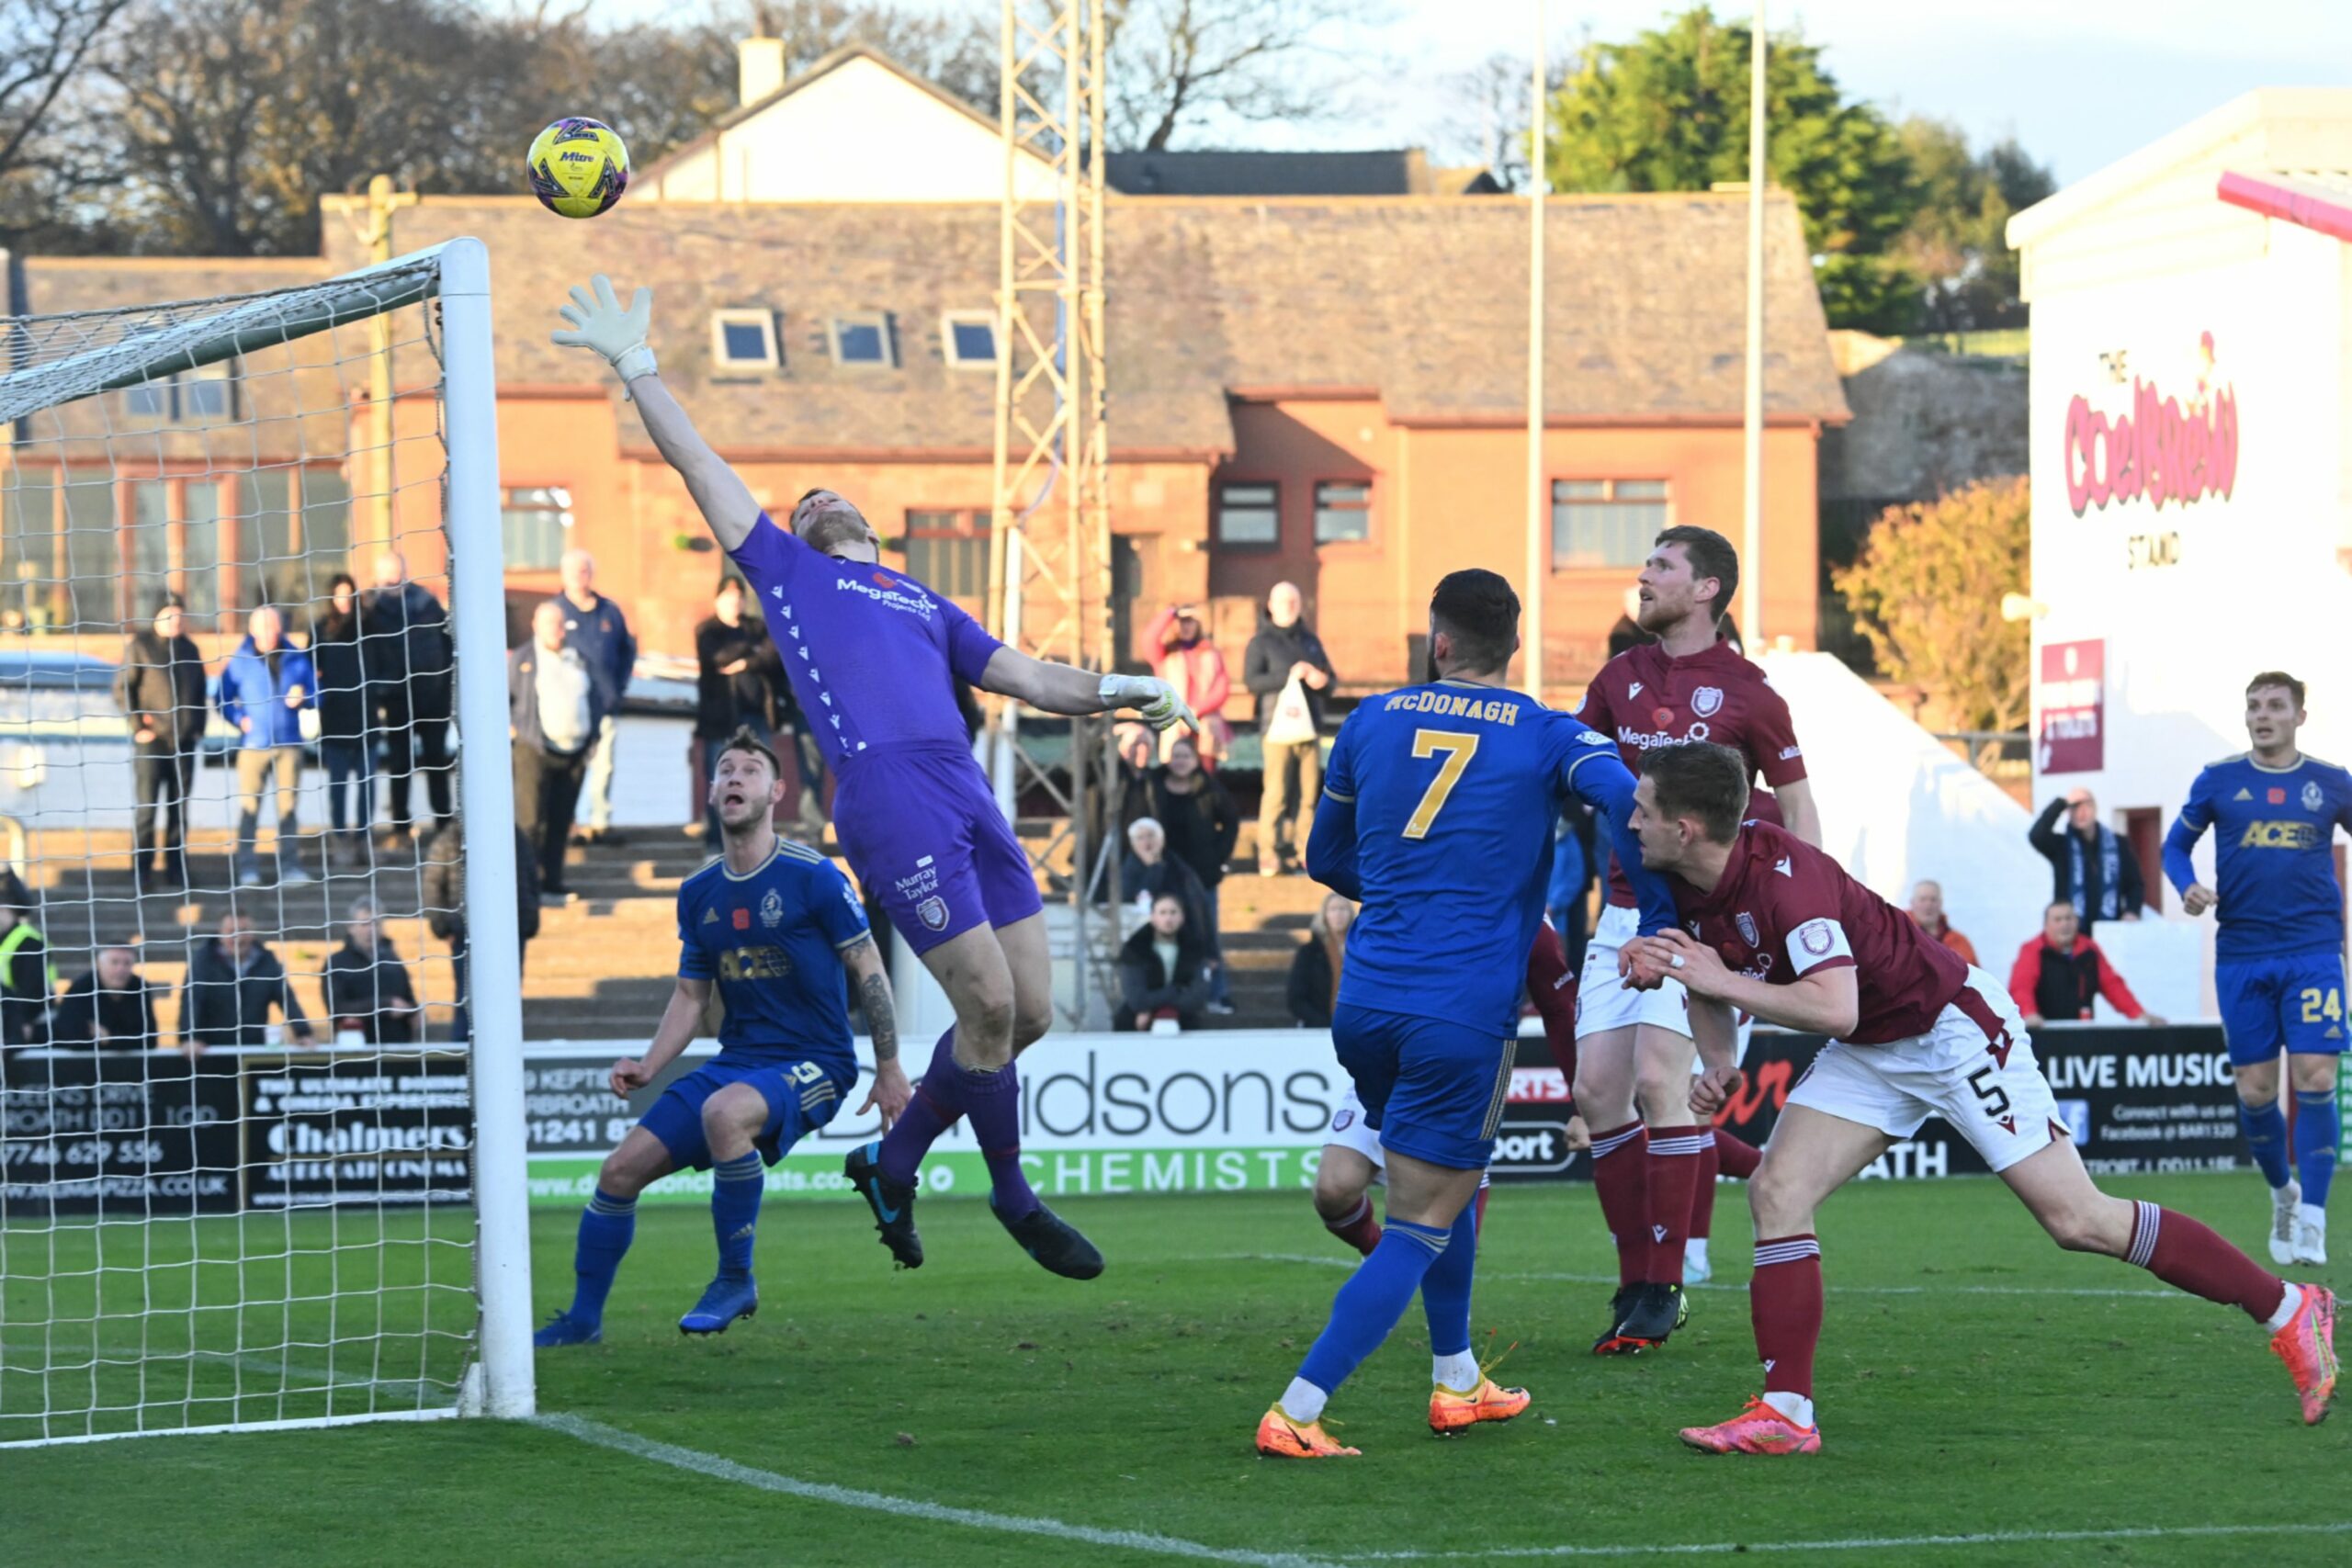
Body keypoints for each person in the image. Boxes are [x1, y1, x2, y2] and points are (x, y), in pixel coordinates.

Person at [550, 271, 1193, 1281]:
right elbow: (699, 464)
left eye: (828, 494)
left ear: (872, 528)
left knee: (1027, 1013)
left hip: (964, 788)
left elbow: (1025, 674)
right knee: (982, 1006)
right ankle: (1010, 1196)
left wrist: (1122, 687)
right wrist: (638, 369)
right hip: (888, 793)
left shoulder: (923, 598)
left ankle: (892, 1161)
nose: (819, 495)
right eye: (806, 499)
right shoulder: (792, 573)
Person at [1616, 740, 2337, 1454]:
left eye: (1643, 811)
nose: (1630, 822)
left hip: (1950, 1028)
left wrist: (1715, 982)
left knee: (2078, 1219)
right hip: (1874, 1047)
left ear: (1688, 827)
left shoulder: (1783, 879)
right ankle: (1787, 1413)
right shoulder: (1677, 876)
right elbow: (1710, 970)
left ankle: (2289, 1306)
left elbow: (1827, 1005)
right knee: (1776, 1191)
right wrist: (1718, 1061)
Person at [1252, 567, 1673, 1460]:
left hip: (1364, 1001)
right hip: (1458, 1013)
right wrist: (1663, 919)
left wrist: (1415, 887)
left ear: (1437, 641)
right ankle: (1297, 1408)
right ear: (1511, 647)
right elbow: (1632, 802)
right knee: (1423, 1217)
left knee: (1432, 1192)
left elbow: (1325, 854)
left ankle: (1457, 1380)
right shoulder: (1546, 732)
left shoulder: (1368, 721)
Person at [534, 728, 912, 1345]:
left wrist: (890, 1066)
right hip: (738, 1060)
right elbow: (691, 995)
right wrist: (651, 1063)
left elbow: (868, 966)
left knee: (724, 1112)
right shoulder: (699, 891)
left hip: (816, 1062)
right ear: (711, 793)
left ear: (777, 791)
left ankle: (736, 1276)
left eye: (750, 770)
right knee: (618, 1171)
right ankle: (582, 1320)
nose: (735, 777)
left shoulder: (814, 876)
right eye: (725, 769)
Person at [1569, 525, 1820, 1354]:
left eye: (1661, 566)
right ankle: (1636, 1275)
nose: (1642, 576)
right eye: (1645, 562)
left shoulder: (1750, 690)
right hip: (1623, 911)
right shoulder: (1617, 679)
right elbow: (1575, 776)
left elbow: (1796, 801)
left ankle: (1667, 1284)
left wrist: (1806, 901)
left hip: (1708, 919)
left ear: (1707, 588)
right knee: (1596, 1093)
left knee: (1656, 1079)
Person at [2165, 671, 2352, 1269]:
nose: (2262, 714)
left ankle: (2316, 1219)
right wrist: (2187, 885)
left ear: (2300, 715)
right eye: (2254, 705)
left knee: (2317, 1076)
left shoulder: (2331, 782)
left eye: (2275, 705)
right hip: (2243, 955)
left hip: (2314, 951)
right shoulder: (2220, 781)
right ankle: (2284, 1194)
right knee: (2256, 1089)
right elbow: (2173, 846)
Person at [1310, 921, 1578, 1258]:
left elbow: (1559, 1007)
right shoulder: (1408, 887)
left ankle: (1427, 1293)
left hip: (1458, 1069)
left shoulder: (1524, 910)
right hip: (1387, 1059)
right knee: (1334, 1190)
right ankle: (1386, 1265)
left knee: (1442, 1224)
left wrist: (1581, 1106)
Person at [509, 600, 605, 907]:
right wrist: (513, 729)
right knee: (530, 820)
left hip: (574, 752)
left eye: (561, 623)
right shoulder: (523, 658)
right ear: (536, 625)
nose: (556, 629)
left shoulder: (577, 658)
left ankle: (552, 881)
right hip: (534, 748)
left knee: (561, 821)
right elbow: (505, 698)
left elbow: (596, 696)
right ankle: (526, 885)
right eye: (550, 623)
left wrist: (593, 736)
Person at [215, 605, 314, 888]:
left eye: (274, 627)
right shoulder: (240, 660)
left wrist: (305, 696)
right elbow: (221, 697)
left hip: (290, 744)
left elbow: (318, 694)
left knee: (288, 809)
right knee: (249, 808)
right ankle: (248, 870)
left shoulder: (296, 656)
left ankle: (290, 868)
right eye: (264, 627)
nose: (270, 633)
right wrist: (239, 718)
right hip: (253, 746)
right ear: (252, 630)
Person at [362, 550, 454, 852]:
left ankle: (445, 825)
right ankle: (400, 827)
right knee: (400, 764)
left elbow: (446, 642)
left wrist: (444, 684)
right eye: (387, 574)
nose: (393, 580)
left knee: (437, 762)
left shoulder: (426, 604)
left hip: (433, 696)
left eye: (397, 572)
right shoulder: (371, 610)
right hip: (397, 698)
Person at [114, 592, 207, 890]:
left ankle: (176, 868)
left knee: (178, 810)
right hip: (152, 742)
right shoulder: (140, 646)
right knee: (146, 809)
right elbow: (122, 688)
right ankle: (141, 869)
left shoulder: (190, 649)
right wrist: (138, 723)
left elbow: (200, 692)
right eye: (169, 615)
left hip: (184, 742)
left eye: (180, 615)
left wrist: (197, 728)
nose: (175, 621)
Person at [1243, 581, 1336, 877]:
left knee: (1309, 795)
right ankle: (1269, 852)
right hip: (1276, 729)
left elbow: (1330, 682)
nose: (1290, 607)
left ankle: (1305, 851)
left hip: (1309, 729)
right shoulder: (1261, 642)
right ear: (1271, 606)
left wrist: (1320, 680)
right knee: (1277, 793)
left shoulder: (1311, 641)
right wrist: (1289, 674)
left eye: (1294, 601)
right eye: (1284, 601)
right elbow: (1252, 683)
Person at [422, 818, 541, 1045]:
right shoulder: (451, 837)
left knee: (507, 998)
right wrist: (443, 926)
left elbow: (530, 879)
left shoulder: (515, 835)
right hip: (465, 932)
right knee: (468, 997)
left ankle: (504, 1048)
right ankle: (462, 1055)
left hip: (512, 930)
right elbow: (433, 884)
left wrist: (528, 921)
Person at [551, 549, 637, 846]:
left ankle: (599, 822)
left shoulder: (610, 611)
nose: (579, 575)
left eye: (584, 570)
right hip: (568, 709)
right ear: (563, 575)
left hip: (606, 703)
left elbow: (628, 649)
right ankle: (570, 822)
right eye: (573, 570)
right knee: (571, 766)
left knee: (604, 765)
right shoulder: (555, 610)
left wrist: (618, 687)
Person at [1149, 735, 1240, 1013]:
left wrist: (1219, 859)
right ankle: (1165, 993)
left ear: (1195, 759)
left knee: (1207, 932)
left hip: (1201, 874)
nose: (1180, 762)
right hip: (1163, 871)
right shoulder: (1153, 784)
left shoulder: (1209, 788)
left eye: (1185, 756)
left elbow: (1231, 823)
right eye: (1175, 756)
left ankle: (1217, 992)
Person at [694, 575, 783, 848]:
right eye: (729, 596)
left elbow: (774, 654)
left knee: (761, 778)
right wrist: (750, 649)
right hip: (720, 719)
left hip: (756, 716)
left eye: (740, 596)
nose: (736, 602)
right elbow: (717, 656)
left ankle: (760, 839)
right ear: (717, 600)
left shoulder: (757, 626)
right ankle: (716, 842)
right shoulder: (707, 630)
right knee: (720, 778)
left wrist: (745, 663)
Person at [2008, 900, 2163, 1030]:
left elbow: (2112, 985)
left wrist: (2139, 1014)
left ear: (2076, 921)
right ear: (2046, 924)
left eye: (2069, 918)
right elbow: (2021, 987)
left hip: (2081, 1034)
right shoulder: (2033, 950)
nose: (2064, 924)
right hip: (2045, 1033)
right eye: (2058, 919)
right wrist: (2029, 1014)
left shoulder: (2089, 950)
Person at [310, 573, 375, 870]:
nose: (344, 601)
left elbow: (385, 664)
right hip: (335, 718)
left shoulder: (370, 627)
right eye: (339, 595)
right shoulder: (321, 630)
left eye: (349, 595)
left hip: (367, 717)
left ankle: (364, 839)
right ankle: (340, 840)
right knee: (338, 785)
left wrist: (378, 690)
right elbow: (309, 669)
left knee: (367, 784)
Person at [180, 915, 313, 1055]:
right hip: (212, 1051)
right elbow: (192, 1000)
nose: (238, 938)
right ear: (220, 933)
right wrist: (190, 1037)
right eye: (231, 931)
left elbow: (286, 998)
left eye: (243, 931)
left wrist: (303, 1032)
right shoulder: (203, 962)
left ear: (252, 933)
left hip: (254, 1051)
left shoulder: (267, 961)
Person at [2030, 786, 2144, 931]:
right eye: (2075, 808)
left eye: (2086, 806)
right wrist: (2061, 803)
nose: (2081, 813)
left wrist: (2132, 911)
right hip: (2072, 933)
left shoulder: (2118, 844)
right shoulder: (2061, 846)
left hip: (2109, 930)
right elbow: (2036, 836)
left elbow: (2135, 884)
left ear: (2095, 809)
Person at [324, 898, 423, 1045]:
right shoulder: (336, 963)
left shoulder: (393, 960)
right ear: (351, 927)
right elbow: (337, 1008)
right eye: (364, 924)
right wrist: (384, 1005)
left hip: (397, 1046)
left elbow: (408, 998)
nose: (371, 929)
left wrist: (414, 1011)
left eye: (376, 924)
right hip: (356, 1049)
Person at [1146, 603, 1232, 767]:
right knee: (1175, 764)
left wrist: (1197, 710)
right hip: (1176, 721)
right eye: (1181, 621)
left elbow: (1221, 689)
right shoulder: (1165, 655)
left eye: (1190, 621)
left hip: (1205, 723)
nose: (1185, 626)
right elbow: (1149, 638)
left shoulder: (1211, 653)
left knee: (1206, 769)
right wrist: (1170, 613)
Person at [1115, 892, 1215, 1032]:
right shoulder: (1135, 949)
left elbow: (1197, 997)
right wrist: (1174, 991)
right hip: (1135, 1022)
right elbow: (1137, 998)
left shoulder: (1195, 950)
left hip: (1185, 1019)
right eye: (1162, 913)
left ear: (1182, 917)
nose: (1168, 918)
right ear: (1153, 917)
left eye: (1173, 913)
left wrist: (1160, 1007)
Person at [1119, 817, 1212, 947]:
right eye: (1140, 838)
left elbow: (1198, 904)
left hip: (1182, 936)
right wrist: (1154, 869)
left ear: (1161, 839)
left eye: (1151, 836)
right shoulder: (1129, 869)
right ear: (1133, 844)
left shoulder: (1178, 867)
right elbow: (1133, 899)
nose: (1147, 843)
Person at [51, 946, 160, 1049]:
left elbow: (150, 1039)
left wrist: (109, 1039)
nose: (120, 969)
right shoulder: (81, 988)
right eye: (114, 962)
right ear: (99, 964)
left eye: (127, 963)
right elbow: (70, 1036)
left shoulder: (140, 988)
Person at [1288, 891, 1353, 1030]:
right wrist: (1321, 1022)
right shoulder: (1309, 952)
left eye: (1343, 909)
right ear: (1325, 915)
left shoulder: (1361, 950)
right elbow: (1296, 998)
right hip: (1319, 1027)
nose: (1338, 914)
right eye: (1333, 909)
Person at [0, 900, 55, 1047]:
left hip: (32, 1021)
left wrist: (22, 1022)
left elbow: (32, 991)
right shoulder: (6, 939)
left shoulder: (29, 942)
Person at [1906, 879, 1977, 964]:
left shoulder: (1959, 941)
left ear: (1941, 903)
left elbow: (1977, 976)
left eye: (1933, 900)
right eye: (1923, 899)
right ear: (1912, 903)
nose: (1928, 905)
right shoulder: (1899, 937)